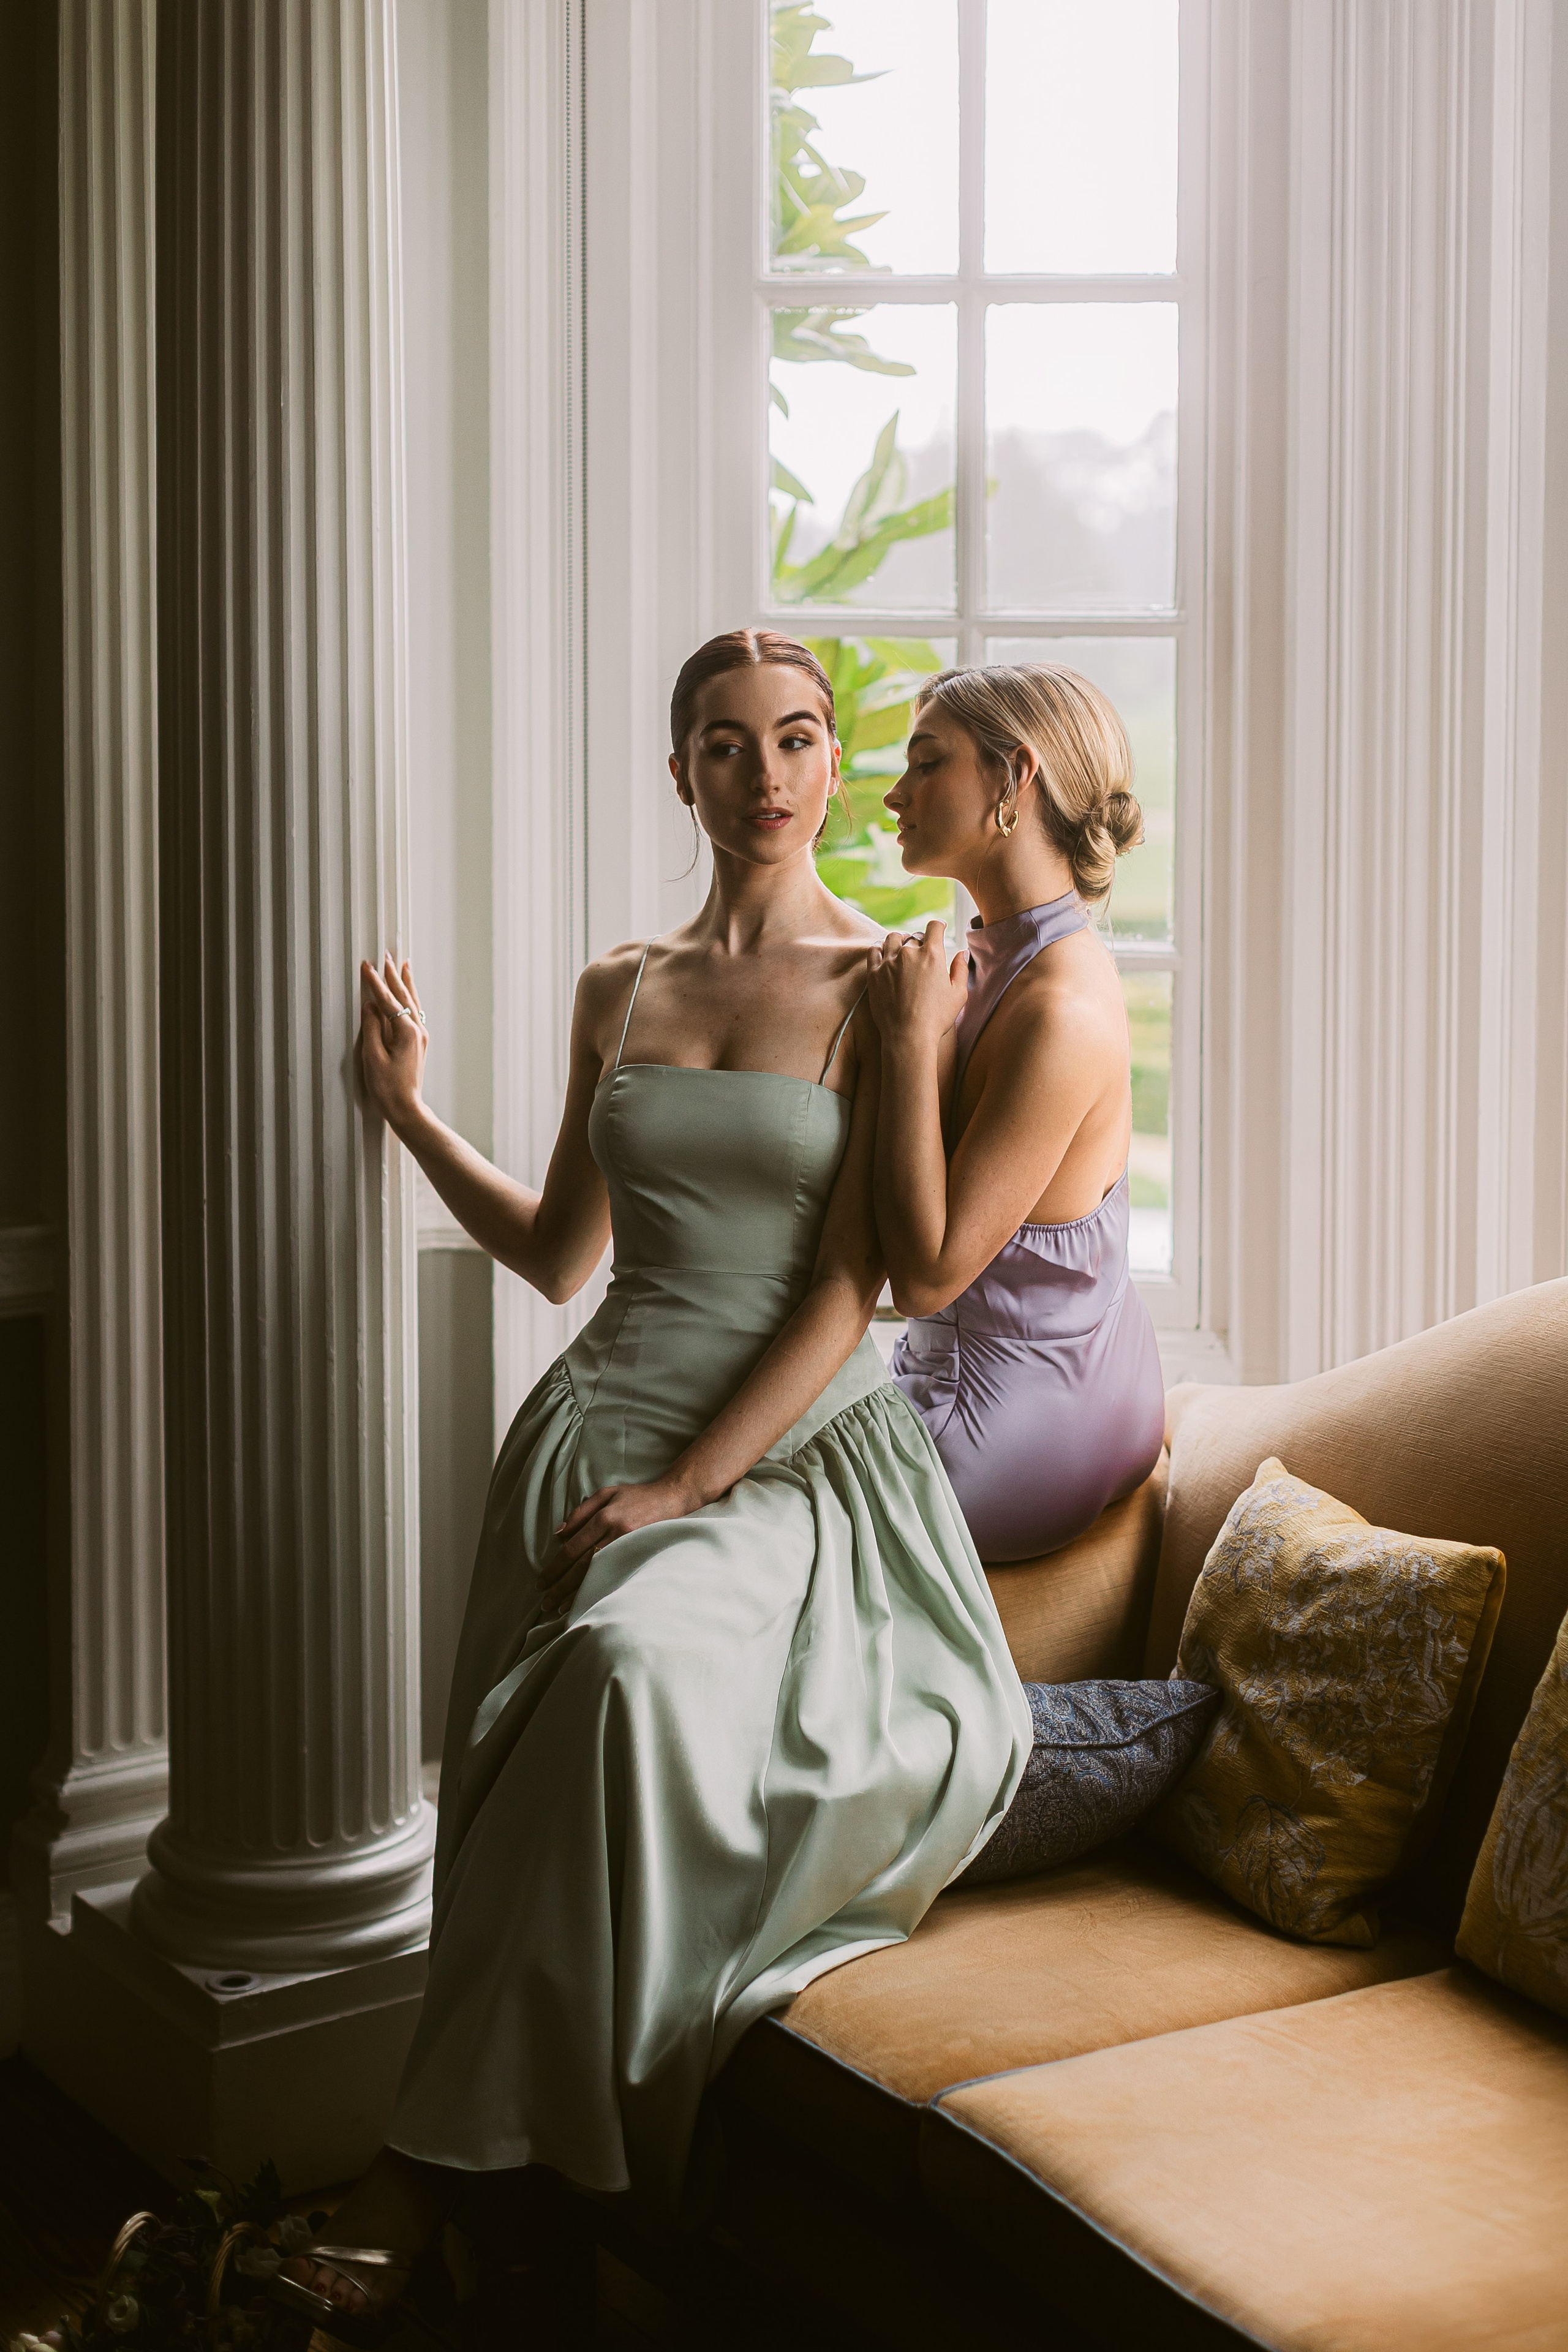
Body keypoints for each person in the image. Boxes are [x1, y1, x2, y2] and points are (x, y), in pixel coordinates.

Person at [274, 630, 1029, 2343]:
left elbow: (860, 1284)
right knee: (537, 1737)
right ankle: (524, 2227)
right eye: (723, 743)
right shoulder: (619, 986)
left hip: (783, 1457)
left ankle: (430, 2172)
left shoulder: (887, 980)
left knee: (617, 1674)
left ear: (835, 767)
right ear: (678, 772)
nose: (764, 775)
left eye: (798, 739)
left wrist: (694, 1483)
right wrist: (404, 1113)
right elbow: (558, 1254)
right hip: (595, 1423)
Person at [868, 662, 1167, 1566]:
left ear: (1013, 779)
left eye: (927, 763)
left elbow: (925, 1282)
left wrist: (908, 1048)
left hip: (1004, 1431)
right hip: (1093, 1388)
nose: (893, 795)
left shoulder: (1058, 1009)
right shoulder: (1010, 957)